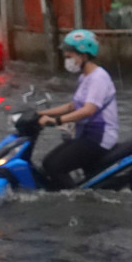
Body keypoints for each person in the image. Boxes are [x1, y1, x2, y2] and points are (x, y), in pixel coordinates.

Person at [37, 29, 118, 189]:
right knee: (47, 162)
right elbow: (72, 106)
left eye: (69, 57)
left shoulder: (98, 78)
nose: (67, 61)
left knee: (55, 166)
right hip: (86, 134)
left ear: (83, 55)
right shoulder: (85, 77)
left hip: (98, 138)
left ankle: (74, 201)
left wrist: (56, 121)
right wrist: (40, 113)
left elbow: (88, 110)